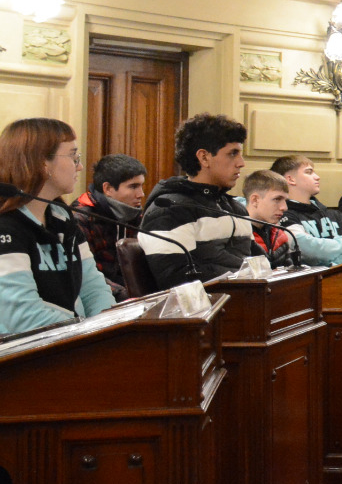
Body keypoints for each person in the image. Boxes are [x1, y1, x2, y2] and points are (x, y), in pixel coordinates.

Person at [0, 119, 116, 335]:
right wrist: (86, 334)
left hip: (72, 342)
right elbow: (23, 316)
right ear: (42, 163)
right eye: (73, 157)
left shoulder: (63, 218)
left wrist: (109, 329)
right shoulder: (5, 226)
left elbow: (93, 289)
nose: (80, 166)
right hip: (24, 351)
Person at [140, 113, 256, 287]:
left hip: (248, 296)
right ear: (204, 157)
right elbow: (176, 279)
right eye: (233, 153)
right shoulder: (169, 210)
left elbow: (262, 264)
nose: (241, 163)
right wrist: (245, 280)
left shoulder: (236, 208)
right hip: (215, 302)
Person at [269, 155, 342, 265]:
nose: (317, 177)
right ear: (291, 179)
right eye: (309, 172)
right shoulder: (282, 215)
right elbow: (308, 250)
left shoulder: (334, 214)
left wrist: (332, 267)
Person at [73, 153, 146, 292]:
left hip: (132, 296)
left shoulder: (137, 216)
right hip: (100, 295)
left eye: (141, 186)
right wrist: (122, 294)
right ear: (107, 189)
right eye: (133, 187)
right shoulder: (81, 218)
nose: (141, 194)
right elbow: (85, 274)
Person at [241, 169, 294, 266]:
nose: (284, 207)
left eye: (285, 200)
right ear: (255, 200)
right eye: (277, 199)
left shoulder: (279, 234)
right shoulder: (236, 236)